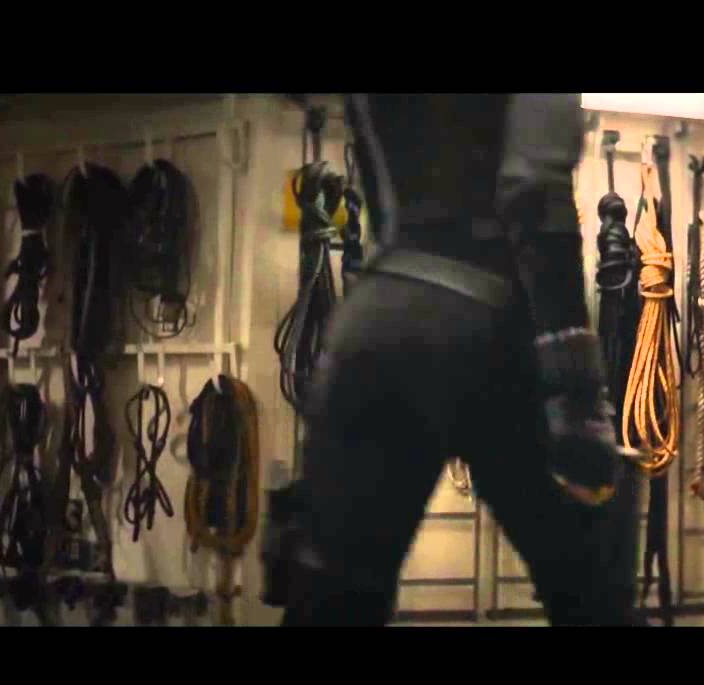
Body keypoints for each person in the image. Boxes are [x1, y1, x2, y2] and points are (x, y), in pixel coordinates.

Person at [272, 94, 644, 626]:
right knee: (589, 590)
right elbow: (538, 198)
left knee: (331, 594)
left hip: (378, 317)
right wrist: (579, 401)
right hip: (483, 315)